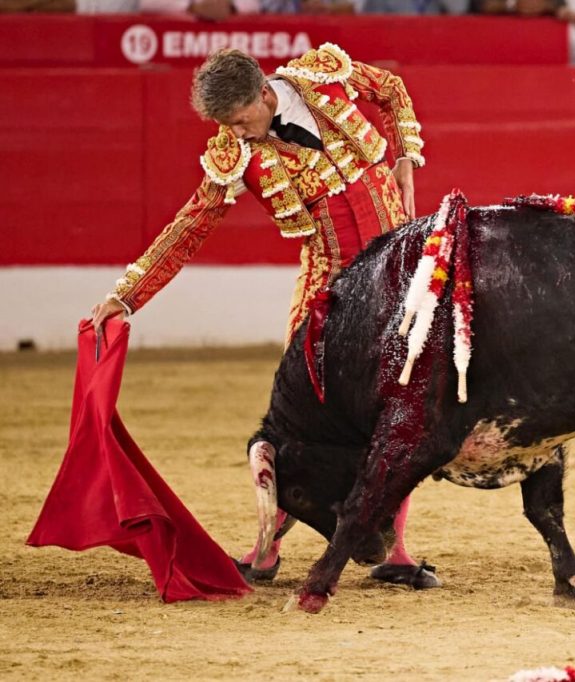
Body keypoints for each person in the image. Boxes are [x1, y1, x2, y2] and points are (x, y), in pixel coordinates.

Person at [89, 43, 426, 577]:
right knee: (303, 419)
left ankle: (398, 552)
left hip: (401, 273)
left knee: (404, 407)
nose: (238, 135)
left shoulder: (324, 76)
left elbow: (390, 89)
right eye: (229, 126)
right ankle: (266, 549)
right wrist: (128, 294)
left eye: (243, 120)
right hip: (330, 287)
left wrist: (405, 154)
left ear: (266, 94)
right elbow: (190, 227)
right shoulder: (236, 153)